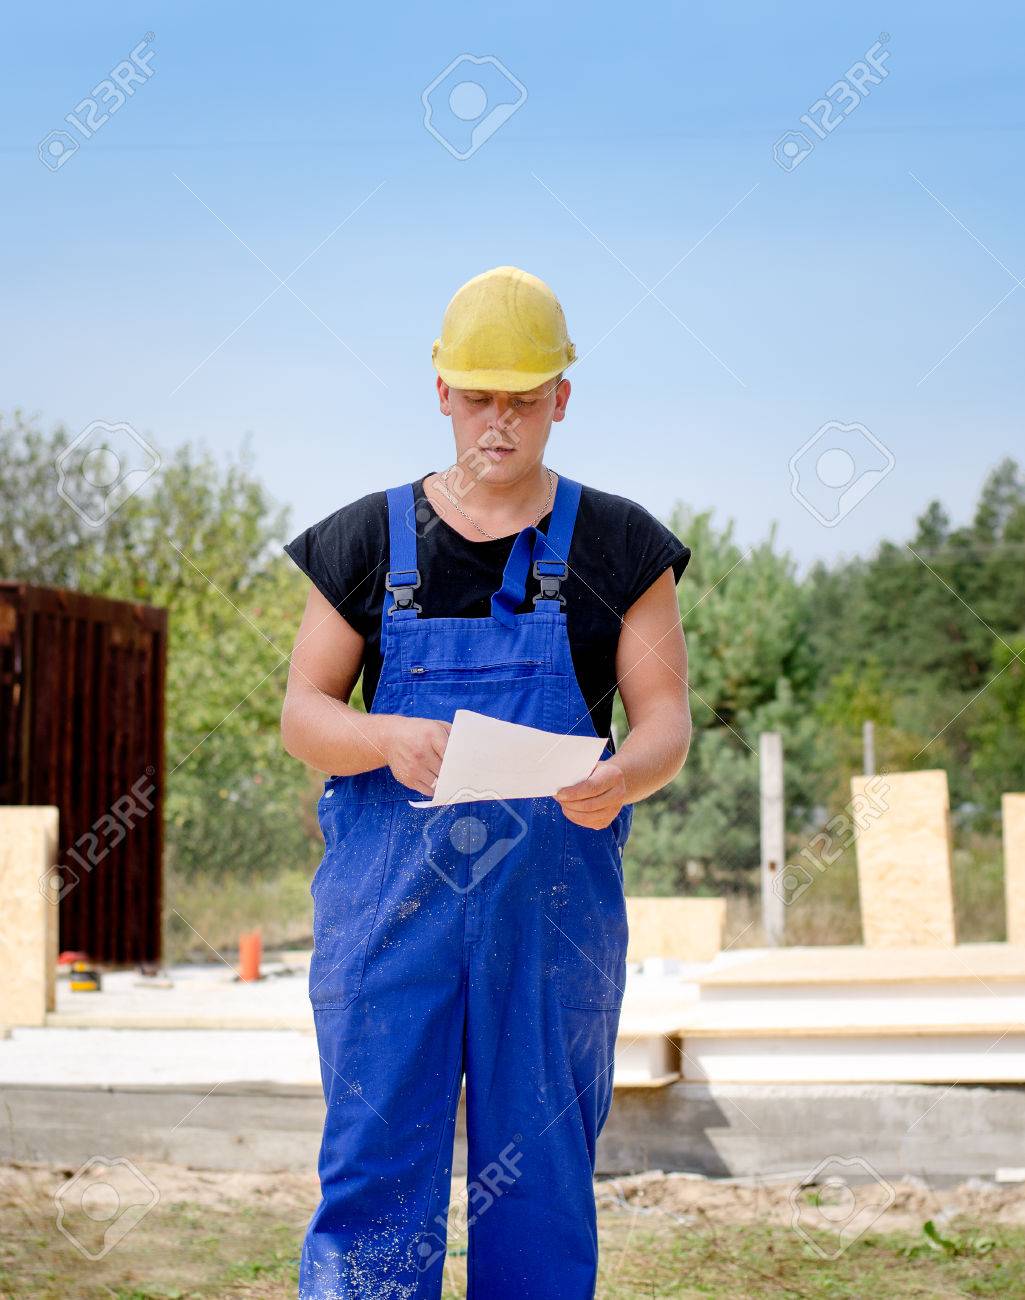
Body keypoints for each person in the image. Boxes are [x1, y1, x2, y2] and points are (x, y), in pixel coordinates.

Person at [280, 265, 692, 1298]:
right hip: (389, 921)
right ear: (441, 394)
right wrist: (380, 735)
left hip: (548, 927)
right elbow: (303, 714)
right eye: (477, 397)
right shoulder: (365, 540)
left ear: (561, 394)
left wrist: (621, 775)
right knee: (376, 1171)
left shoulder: (618, 544)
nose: (497, 421)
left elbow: (666, 723)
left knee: (540, 1180)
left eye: (521, 397)